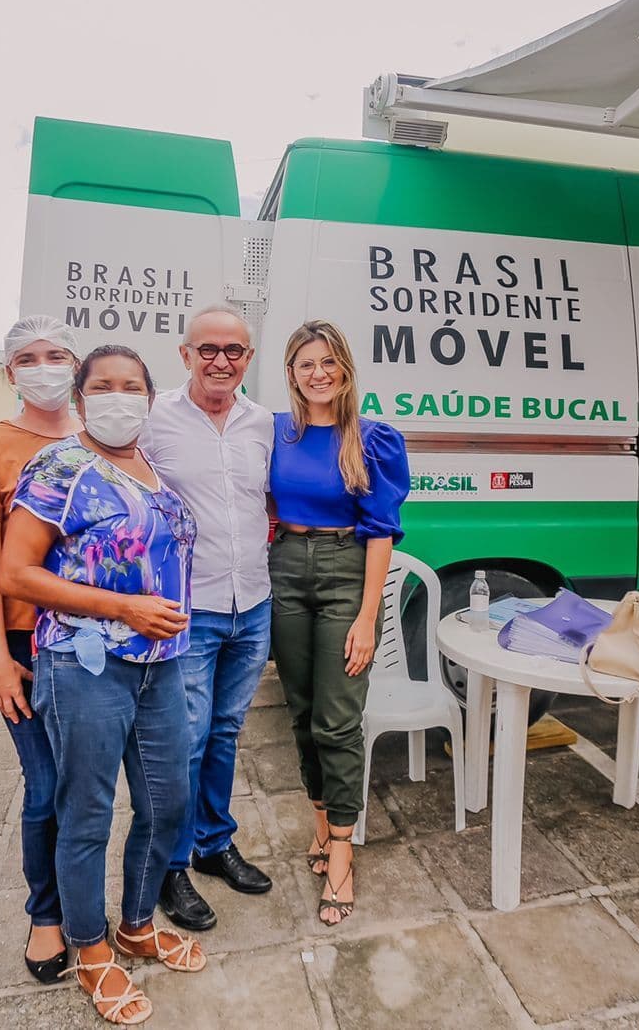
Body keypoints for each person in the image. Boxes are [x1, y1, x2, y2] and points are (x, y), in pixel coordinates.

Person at [0, 345, 203, 1025]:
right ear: (81, 398)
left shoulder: (151, 467)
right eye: (105, 386)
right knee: (86, 811)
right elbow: (16, 573)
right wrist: (123, 608)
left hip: (162, 663)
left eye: (133, 386)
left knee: (168, 802)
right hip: (86, 665)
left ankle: (137, 923)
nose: (120, 397)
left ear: (149, 397)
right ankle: (89, 949)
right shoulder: (59, 467)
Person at [0, 315, 82, 983]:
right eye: (28, 358)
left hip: (94, 636)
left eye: (56, 354)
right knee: (46, 783)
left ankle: (88, 902)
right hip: (25, 638)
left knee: (87, 783)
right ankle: (46, 914)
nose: (43, 367)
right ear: (10, 372)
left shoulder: (102, 435)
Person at [269, 320, 410, 926]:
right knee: (302, 712)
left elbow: (381, 533)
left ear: (346, 368)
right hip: (285, 568)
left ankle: (344, 851)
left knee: (338, 718)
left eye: (328, 361)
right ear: (291, 372)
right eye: (306, 363)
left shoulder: (372, 438)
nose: (318, 373)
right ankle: (321, 822)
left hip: (344, 569)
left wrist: (367, 617)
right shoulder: (277, 432)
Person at [140, 305, 275, 932]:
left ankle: (213, 843)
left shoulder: (262, 423)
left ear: (249, 357)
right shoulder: (154, 419)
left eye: (234, 350)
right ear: (186, 354)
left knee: (224, 732)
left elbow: (266, 501)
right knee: (185, 741)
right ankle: (169, 865)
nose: (222, 361)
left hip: (253, 604)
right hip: (188, 610)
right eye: (209, 349)